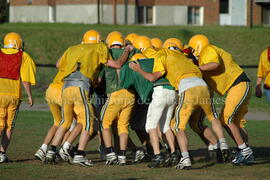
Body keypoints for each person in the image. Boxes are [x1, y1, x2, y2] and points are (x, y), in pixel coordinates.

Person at [129, 42, 229, 170]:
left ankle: (185, 158)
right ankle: (223, 144)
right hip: (203, 86)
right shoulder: (184, 57)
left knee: (177, 126)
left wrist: (139, 69)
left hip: (187, 88)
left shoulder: (162, 56)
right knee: (212, 117)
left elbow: (153, 77)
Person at [44, 30, 134, 167]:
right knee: (88, 122)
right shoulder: (100, 47)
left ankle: (52, 151)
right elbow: (117, 65)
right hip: (80, 87)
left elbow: (58, 65)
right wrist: (126, 51)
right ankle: (79, 153)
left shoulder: (72, 48)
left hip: (66, 87)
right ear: (98, 40)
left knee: (65, 121)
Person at [188, 34, 254, 165]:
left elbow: (215, 64)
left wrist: (196, 68)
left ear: (198, 46)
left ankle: (245, 151)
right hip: (237, 86)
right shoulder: (203, 57)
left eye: (192, 49)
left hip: (238, 84)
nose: (191, 53)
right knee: (236, 123)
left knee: (226, 118)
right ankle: (245, 150)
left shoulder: (208, 50)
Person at [132, 36, 178, 168]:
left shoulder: (146, 55)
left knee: (151, 126)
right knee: (166, 126)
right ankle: (174, 153)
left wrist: (138, 69)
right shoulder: (165, 54)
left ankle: (157, 156)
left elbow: (151, 77)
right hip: (172, 92)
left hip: (160, 91)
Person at [100, 31, 137, 165]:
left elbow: (98, 79)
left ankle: (110, 153)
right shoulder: (130, 52)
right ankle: (122, 155)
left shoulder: (105, 53)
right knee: (123, 126)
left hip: (115, 93)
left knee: (104, 123)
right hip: (130, 94)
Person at [0, 32, 36, 163]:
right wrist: (30, 96)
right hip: (13, 96)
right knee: (9, 126)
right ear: (17, 43)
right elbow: (25, 80)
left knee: (0, 124)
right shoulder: (23, 56)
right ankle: (2, 154)